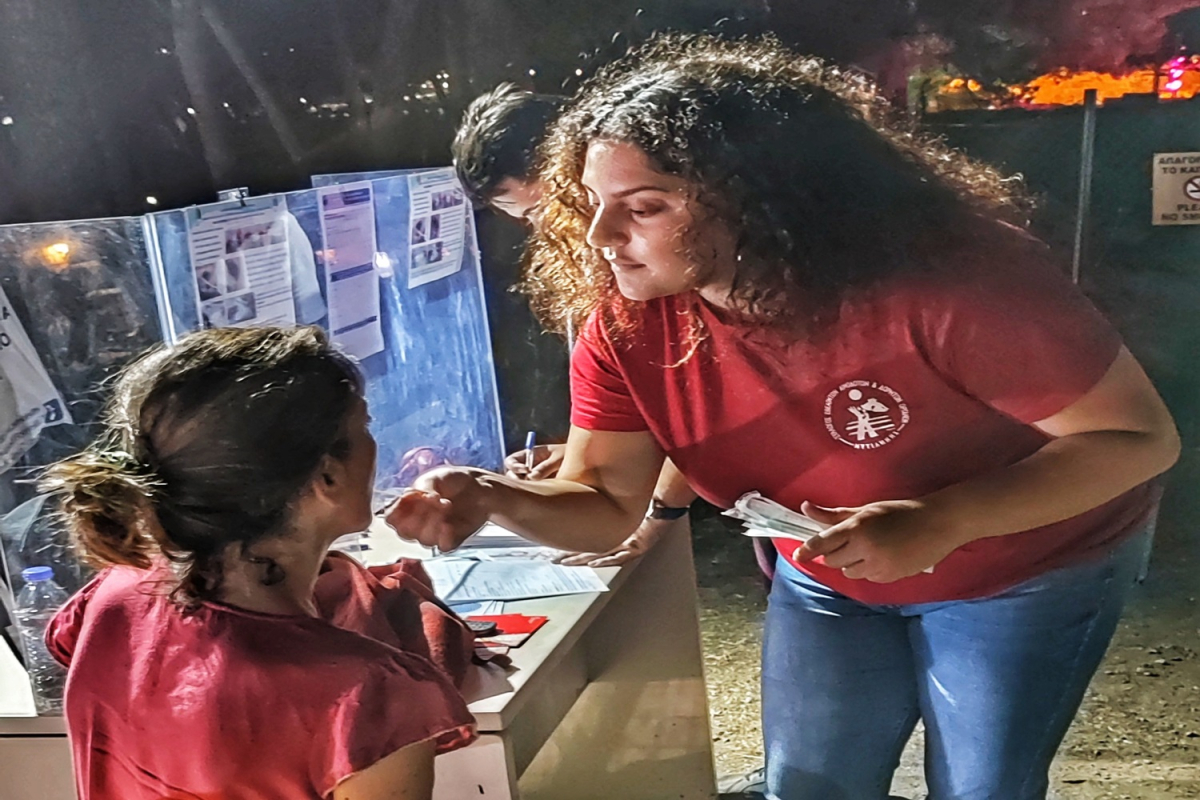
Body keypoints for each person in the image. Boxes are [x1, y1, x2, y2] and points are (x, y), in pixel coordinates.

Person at [390, 34, 1181, 800]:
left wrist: (944, 521)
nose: (600, 238)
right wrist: (492, 497)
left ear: (759, 202)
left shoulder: (948, 284)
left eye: (646, 206)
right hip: (828, 572)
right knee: (807, 782)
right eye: (593, 205)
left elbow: (1135, 437)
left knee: (980, 785)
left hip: (1023, 568)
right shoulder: (629, 325)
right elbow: (602, 503)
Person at [40, 327, 477, 800]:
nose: (375, 446)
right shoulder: (370, 697)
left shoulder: (115, 595)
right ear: (326, 476)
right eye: (365, 426)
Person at [453, 81, 701, 567]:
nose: (590, 233)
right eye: (526, 218)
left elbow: (713, 412)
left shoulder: (682, 271)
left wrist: (659, 514)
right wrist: (591, 455)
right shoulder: (607, 306)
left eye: (555, 208)